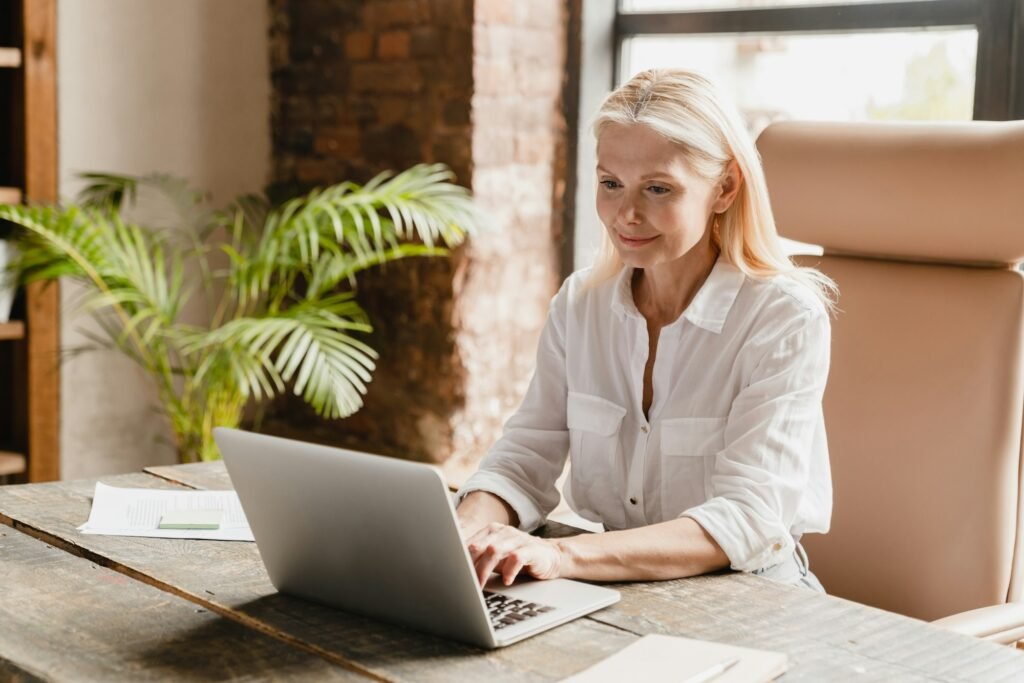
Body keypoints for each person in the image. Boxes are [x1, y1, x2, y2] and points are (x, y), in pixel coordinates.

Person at [455, 68, 836, 592]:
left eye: (658, 188)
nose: (626, 215)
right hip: (619, 588)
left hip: (754, 597)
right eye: (611, 184)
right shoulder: (580, 304)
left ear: (724, 188)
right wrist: (463, 532)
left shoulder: (782, 316)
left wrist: (559, 553)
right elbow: (524, 458)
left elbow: (750, 515)